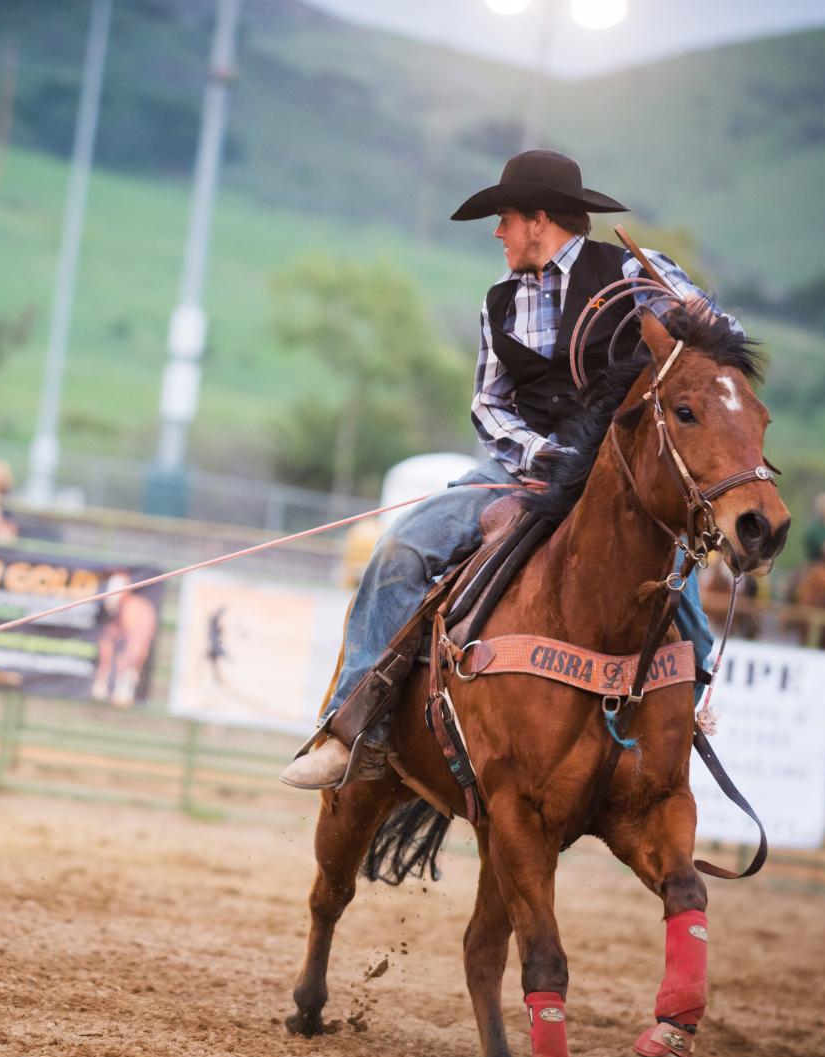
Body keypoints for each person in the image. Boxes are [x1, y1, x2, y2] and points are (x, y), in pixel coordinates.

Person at [281, 149, 739, 789]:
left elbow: (723, 339)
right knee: (400, 550)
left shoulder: (635, 272)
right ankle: (355, 730)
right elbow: (488, 406)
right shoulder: (499, 302)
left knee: (679, 603)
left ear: (539, 219)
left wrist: (690, 319)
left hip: (624, 489)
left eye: (505, 219)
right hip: (520, 476)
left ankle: (679, 723)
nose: (498, 233)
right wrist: (541, 456)